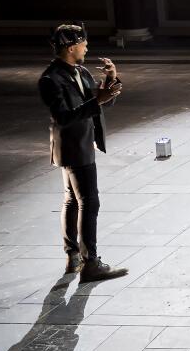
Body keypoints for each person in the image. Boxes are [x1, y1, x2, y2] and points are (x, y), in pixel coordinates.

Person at [37, 23, 127, 282]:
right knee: (89, 201)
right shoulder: (50, 79)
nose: (87, 47)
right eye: (84, 43)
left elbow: (98, 104)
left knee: (72, 200)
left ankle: (73, 256)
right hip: (73, 146)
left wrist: (111, 80)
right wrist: (98, 100)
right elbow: (64, 117)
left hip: (82, 143)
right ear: (71, 46)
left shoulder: (82, 72)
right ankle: (91, 263)